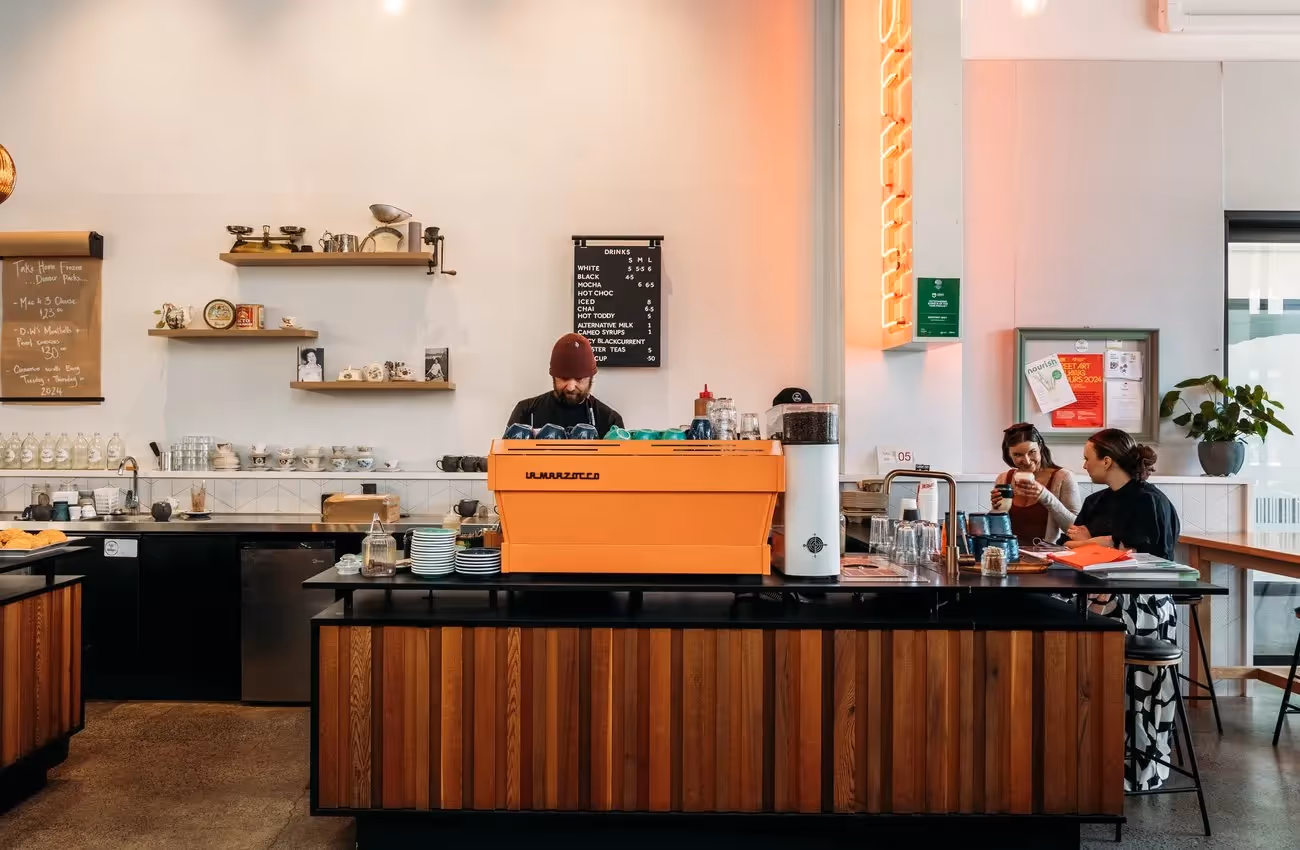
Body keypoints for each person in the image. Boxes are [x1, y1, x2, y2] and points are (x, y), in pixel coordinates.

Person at [1068, 428, 1181, 792]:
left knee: (1134, 690)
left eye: (1088, 457)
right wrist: (1102, 544)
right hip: (1095, 601)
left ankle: (1137, 771)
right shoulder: (1097, 501)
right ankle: (1089, 766)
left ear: (1107, 460)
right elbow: (1069, 543)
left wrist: (1099, 543)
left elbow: (1154, 558)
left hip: (1141, 607)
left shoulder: (1149, 501)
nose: (1083, 465)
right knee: (1090, 687)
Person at [506, 333, 624, 435]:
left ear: (591, 377)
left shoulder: (609, 421)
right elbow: (506, 460)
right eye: (564, 378)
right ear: (553, 376)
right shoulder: (526, 412)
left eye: (579, 379)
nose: (571, 387)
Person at [989, 422, 1079, 545]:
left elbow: (1076, 529)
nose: (1026, 461)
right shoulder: (1003, 479)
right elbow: (996, 529)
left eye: (1032, 452)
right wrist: (996, 510)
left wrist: (1045, 496)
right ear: (1009, 454)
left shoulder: (1063, 477)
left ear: (1040, 447)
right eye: (1017, 455)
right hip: (1011, 554)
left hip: (1047, 557)